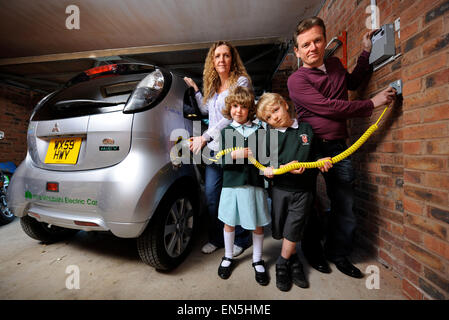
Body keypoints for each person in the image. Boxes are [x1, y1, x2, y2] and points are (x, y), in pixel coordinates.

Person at [287, 16, 396, 278]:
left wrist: (366, 50)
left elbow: (355, 82)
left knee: (344, 203)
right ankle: (313, 253)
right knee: (307, 203)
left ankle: (339, 254)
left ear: (324, 40)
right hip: (308, 147)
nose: (312, 48)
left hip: (338, 146)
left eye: (317, 41)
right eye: (305, 45)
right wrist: (372, 104)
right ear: (297, 51)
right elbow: (330, 107)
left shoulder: (335, 64)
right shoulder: (296, 81)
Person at [257, 92, 332, 292]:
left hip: (304, 190)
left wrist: (322, 160)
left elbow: (316, 154)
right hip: (280, 189)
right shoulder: (270, 136)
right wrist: (278, 169)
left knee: (294, 226)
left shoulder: (306, 129)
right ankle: (294, 259)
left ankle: (282, 264)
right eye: (269, 118)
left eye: (276, 110)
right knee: (282, 227)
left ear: (284, 104)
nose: (275, 117)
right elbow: (266, 167)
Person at [183, 41, 252, 256]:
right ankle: (217, 238)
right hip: (214, 150)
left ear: (233, 59)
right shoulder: (213, 87)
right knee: (213, 196)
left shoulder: (240, 81)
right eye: (217, 56)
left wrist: (203, 137)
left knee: (236, 195)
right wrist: (196, 90)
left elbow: (229, 116)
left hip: (233, 148)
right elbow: (206, 110)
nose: (221, 59)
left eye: (226, 55)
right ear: (212, 61)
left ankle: (242, 238)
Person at [216, 86, 271, 286]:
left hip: (254, 185)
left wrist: (268, 167)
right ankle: (228, 256)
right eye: (235, 106)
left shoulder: (260, 131)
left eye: (243, 107)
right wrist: (233, 155)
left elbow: (267, 158)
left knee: (256, 224)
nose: (238, 110)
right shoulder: (226, 132)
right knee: (229, 222)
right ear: (229, 108)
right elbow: (219, 160)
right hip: (232, 186)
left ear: (250, 109)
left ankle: (257, 260)